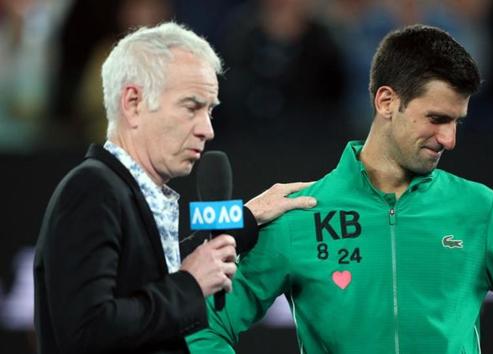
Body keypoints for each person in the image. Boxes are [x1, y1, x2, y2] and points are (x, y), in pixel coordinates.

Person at [186, 24, 493, 353]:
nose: (450, 139)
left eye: (457, 122)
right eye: (437, 119)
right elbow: (206, 327)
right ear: (387, 101)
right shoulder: (300, 214)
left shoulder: (480, 209)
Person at [33, 22, 316, 354]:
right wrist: (191, 284)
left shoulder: (123, 191)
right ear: (133, 103)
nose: (207, 130)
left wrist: (246, 219)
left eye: (210, 111)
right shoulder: (93, 190)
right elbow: (85, 333)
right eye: (191, 107)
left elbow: (147, 286)